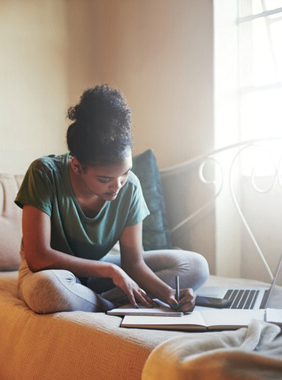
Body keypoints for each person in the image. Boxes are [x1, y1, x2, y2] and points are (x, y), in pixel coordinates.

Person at [15, 84, 209, 314]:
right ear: (77, 166)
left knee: (196, 266)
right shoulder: (44, 174)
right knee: (47, 291)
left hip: (98, 275)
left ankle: (91, 300)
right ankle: (113, 305)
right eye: (105, 178)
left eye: (125, 173)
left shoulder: (131, 187)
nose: (117, 185)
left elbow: (133, 264)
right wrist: (109, 271)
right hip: (51, 273)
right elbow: (38, 258)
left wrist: (170, 296)